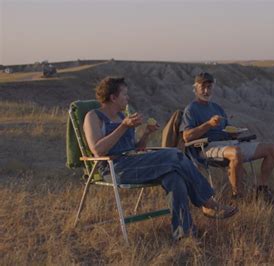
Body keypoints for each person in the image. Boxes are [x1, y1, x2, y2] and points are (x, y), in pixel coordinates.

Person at [83, 76, 237, 240]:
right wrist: (123, 127)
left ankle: (184, 233)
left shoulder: (122, 117)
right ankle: (208, 203)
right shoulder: (94, 117)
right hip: (115, 168)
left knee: (174, 177)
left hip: (134, 162)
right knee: (175, 154)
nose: (127, 98)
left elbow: (135, 148)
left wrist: (147, 133)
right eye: (124, 94)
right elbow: (98, 150)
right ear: (113, 97)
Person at [181, 72, 274, 203]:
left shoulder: (217, 108)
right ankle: (237, 196)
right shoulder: (191, 109)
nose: (206, 90)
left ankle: (261, 189)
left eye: (209, 87)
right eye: (202, 87)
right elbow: (187, 137)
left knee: (272, 149)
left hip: (229, 143)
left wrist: (234, 133)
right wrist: (208, 124)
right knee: (235, 152)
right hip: (206, 147)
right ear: (195, 88)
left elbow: (226, 129)